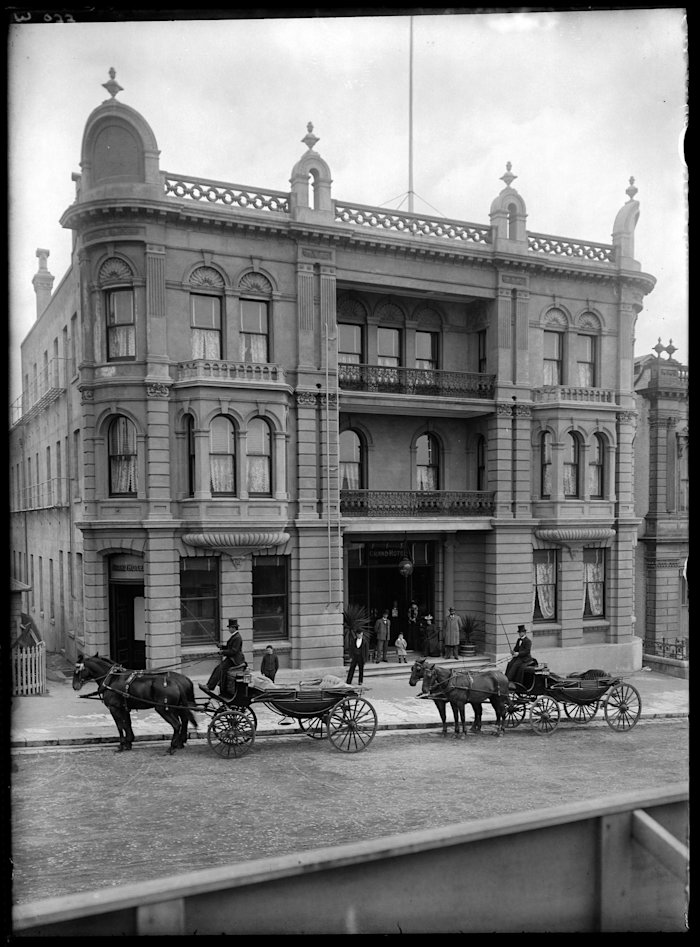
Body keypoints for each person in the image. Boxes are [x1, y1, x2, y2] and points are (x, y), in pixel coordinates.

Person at [206, 619, 247, 696]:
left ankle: (210, 686)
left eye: (230, 628)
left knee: (220, 668)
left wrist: (223, 652)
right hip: (231, 658)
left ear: (234, 628)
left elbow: (234, 651)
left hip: (235, 660)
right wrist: (221, 646)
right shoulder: (234, 636)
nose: (229, 629)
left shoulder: (237, 637)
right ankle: (216, 686)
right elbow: (229, 647)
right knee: (218, 669)